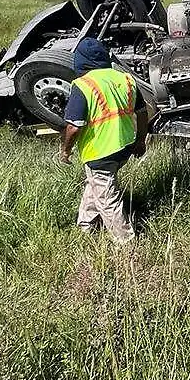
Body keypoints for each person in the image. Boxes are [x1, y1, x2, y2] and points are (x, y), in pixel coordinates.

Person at [58, 37, 148, 243]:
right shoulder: (126, 79)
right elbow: (142, 113)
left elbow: (74, 126)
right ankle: (85, 225)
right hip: (125, 146)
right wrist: (140, 140)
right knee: (97, 185)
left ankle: (126, 243)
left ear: (81, 61)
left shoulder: (83, 85)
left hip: (100, 152)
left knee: (108, 199)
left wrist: (66, 151)